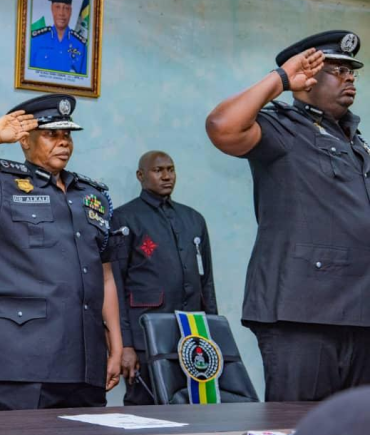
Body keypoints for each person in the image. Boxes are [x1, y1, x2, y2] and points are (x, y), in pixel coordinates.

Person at [0, 94, 122, 411]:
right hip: (18, 363)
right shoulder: (2, 185)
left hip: (83, 361)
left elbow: (105, 274)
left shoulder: (92, 195)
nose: (63, 143)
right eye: (51, 134)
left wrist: (115, 341)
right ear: (25, 142)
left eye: (67, 135)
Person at [206, 30, 369, 401]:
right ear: (306, 79)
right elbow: (221, 127)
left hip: (360, 313)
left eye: (352, 70)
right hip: (303, 313)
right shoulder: (283, 129)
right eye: (336, 69)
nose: (349, 76)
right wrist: (279, 79)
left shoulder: (357, 144)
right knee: (299, 425)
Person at [111, 151, 217, 405]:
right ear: (141, 175)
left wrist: (212, 334)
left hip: (191, 335)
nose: (167, 176)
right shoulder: (124, 218)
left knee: (192, 404)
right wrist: (125, 345)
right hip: (144, 338)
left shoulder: (193, 219)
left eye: (171, 169)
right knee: (144, 406)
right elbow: (115, 284)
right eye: (158, 171)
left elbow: (207, 282)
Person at [29, 0, 87, 74]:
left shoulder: (81, 45)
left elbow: (85, 82)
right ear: (52, 9)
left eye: (66, 8)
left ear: (70, 11)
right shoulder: (36, 40)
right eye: (57, 7)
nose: (61, 13)